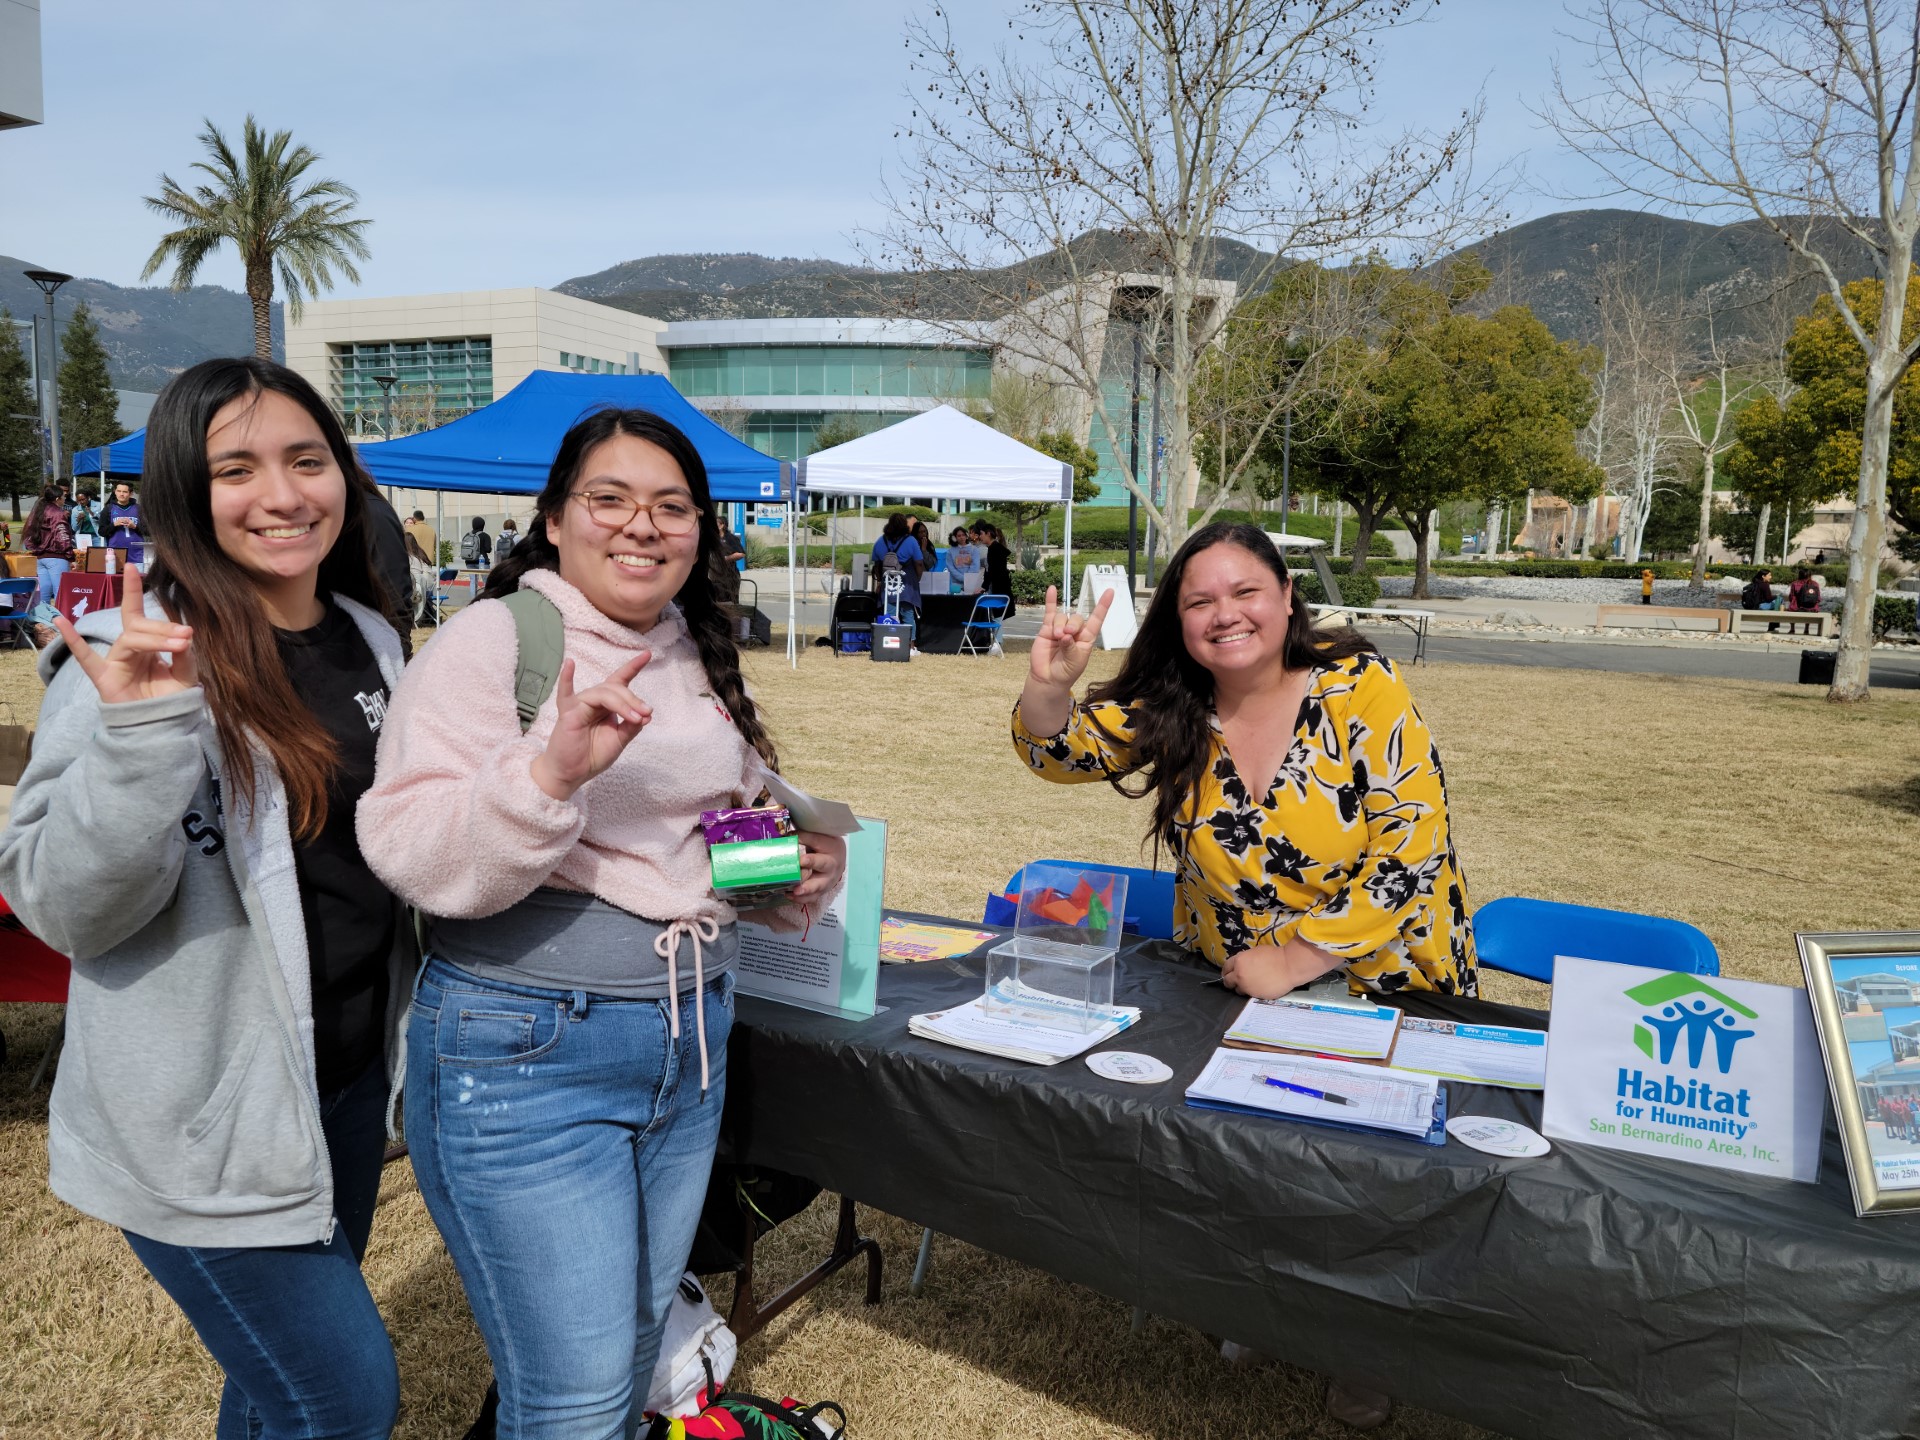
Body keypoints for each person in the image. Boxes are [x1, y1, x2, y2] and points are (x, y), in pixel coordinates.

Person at [357, 408, 846, 1438]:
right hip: (529, 1047)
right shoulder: (497, 641)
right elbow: (406, 842)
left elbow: (691, 840)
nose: (642, 525)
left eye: (672, 506)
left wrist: (787, 866)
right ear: (553, 520)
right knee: (576, 1396)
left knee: (632, 1361)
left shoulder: (690, 649)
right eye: (610, 499)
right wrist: (549, 775)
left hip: (685, 1042)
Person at [0, 356, 408, 1440]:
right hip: (202, 1120)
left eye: (306, 460)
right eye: (237, 468)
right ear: (187, 489)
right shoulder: (146, 661)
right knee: (344, 1398)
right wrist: (140, 739)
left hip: (342, 1092)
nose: (282, 495)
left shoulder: (373, 642)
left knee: (274, 1388)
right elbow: (61, 909)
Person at [1013, 522, 1477, 999]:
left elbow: (1414, 845)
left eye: (1245, 592)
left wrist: (1293, 961)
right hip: (1231, 992)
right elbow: (1061, 754)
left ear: (1286, 594)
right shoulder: (1177, 705)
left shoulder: (1357, 684)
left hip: (1389, 985)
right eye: (1200, 602)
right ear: (1179, 619)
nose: (1225, 615)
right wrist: (1048, 686)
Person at [22, 484, 75, 618]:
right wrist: (70, 555)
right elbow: (61, 535)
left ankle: (41, 621)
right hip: (56, 557)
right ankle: (60, 624)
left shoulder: (38, 510)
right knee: (61, 593)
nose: (64, 499)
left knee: (44, 593)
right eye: (63, 497)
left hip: (40, 557)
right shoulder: (57, 513)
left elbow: (28, 532)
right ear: (57, 498)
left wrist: (34, 549)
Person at [871, 512, 925, 620]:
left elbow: (877, 565)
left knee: (889, 616)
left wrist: (880, 581)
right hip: (907, 583)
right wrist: (917, 578)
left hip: (888, 584)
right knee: (908, 615)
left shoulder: (880, 541)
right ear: (905, 525)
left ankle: (890, 635)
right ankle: (910, 637)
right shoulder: (911, 541)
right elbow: (919, 563)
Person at [102, 480, 144, 565]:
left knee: (137, 578)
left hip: (136, 555)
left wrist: (134, 526)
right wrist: (114, 525)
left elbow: (149, 531)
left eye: (125, 492)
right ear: (115, 492)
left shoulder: (139, 509)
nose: (121, 494)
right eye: (119, 491)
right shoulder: (108, 509)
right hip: (115, 554)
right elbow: (101, 531)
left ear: (131, 493)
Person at [977, 521, 1015, 616]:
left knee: (996, 617)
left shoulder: (994, 549)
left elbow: (992, 571)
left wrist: (983, 587)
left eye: (981, 534)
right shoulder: (994, 548)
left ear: (988, 534)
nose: (980, 537)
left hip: (998, 588)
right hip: (997, 587)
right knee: (996, 616)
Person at [714, 513, 746, 603]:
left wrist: (726, 558)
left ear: (722, 525)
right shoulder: (714, 538)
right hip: (715, 576)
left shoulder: (730, 538)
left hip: (729, 576)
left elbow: (741, 554)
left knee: (730, 602)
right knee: (717, 601)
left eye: (715, 524)